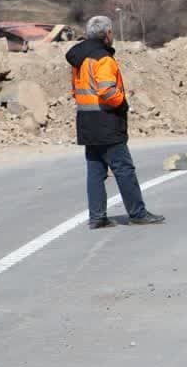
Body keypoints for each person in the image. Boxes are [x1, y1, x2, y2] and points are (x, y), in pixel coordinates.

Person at [67, 15, 165, 229]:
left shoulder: (79, 57)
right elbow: (106, 90)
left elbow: (76, 90)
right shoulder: (102, 58)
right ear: (108, 34)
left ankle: (97, 217)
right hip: (106, 120)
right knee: (123, 168)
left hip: (86, 120)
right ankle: (137, 213)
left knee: (95, 170)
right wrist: (122, 104)